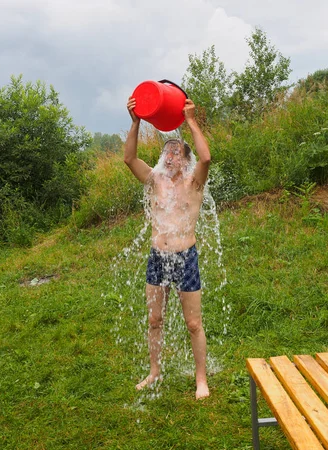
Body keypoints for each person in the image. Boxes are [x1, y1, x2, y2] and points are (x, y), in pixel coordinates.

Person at [124, 96, 211, 400]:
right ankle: (154, 371)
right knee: (154, 320)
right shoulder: (154, 180)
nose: (170, 156)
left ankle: (201, 379)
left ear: (185, 161)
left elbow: (206, 159)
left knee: (193, 322)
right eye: (166, 152)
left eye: (176, 152)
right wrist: (135, 121)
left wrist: (190, 120)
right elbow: (129, 159)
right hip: (157, 257)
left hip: (185, 256)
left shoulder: (194, 184)